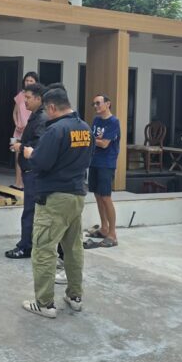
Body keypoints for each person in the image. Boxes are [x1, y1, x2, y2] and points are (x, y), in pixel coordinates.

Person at [20, 87, 94, 319]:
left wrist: (30, 153)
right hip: (77, 195)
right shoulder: (85, 128)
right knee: (73, 248)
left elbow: (41, 162)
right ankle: (75, 296)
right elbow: (87, 158)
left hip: (55, 198)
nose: (46, 114)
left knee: (43, 248)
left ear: (52, 107)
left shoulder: (56, 130)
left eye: (47, 110)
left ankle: (44, 303)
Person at [7, 82, 47, 259]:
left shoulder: (41, 118)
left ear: (38, 99)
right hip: (29, 169)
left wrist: (21, 146)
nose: (25, 102)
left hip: (33, 171)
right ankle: (27, 243)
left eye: (28, 98)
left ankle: (26, 246)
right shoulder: (35, 116)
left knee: (30, 211)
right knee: (30, 210)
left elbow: (39, 144)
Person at [84, 94, 120, 248]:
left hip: (107, 163)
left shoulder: (113, 122)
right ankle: (104, 228)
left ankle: (112, 234)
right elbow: (94, 139)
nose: (96, 106)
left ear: (108, 104)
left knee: (106, 197)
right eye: (94, 104)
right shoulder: (96, 120)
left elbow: (104, 143)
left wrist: (90, 139)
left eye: (98, 103)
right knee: (98, 196)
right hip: (94, 161)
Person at [13, 71, 39, 188]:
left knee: (28, 156)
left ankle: (25, 183)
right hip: (18, 130)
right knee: (17, 156)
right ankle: (18, 183)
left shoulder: (37, 98)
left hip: (29, 131)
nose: (28, 82)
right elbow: (15, 112)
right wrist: (16, 123)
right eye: (27, 80)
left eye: (31, 81)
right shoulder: (20, 95)